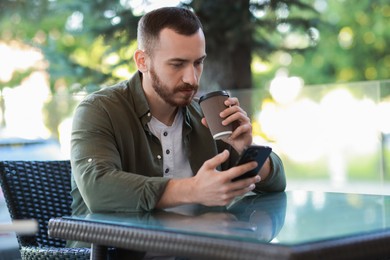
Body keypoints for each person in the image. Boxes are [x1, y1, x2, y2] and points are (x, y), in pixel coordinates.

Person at [70, 6, 285, 220]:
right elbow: (97, 189)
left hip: (199, 248)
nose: (191, 78)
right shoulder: (99, 110)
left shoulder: (205, 115)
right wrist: (193, 189)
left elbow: (277, 182)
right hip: (116, 251)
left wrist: (246, 149)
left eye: (198, 63)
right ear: (142, 61)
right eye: (177, 64)